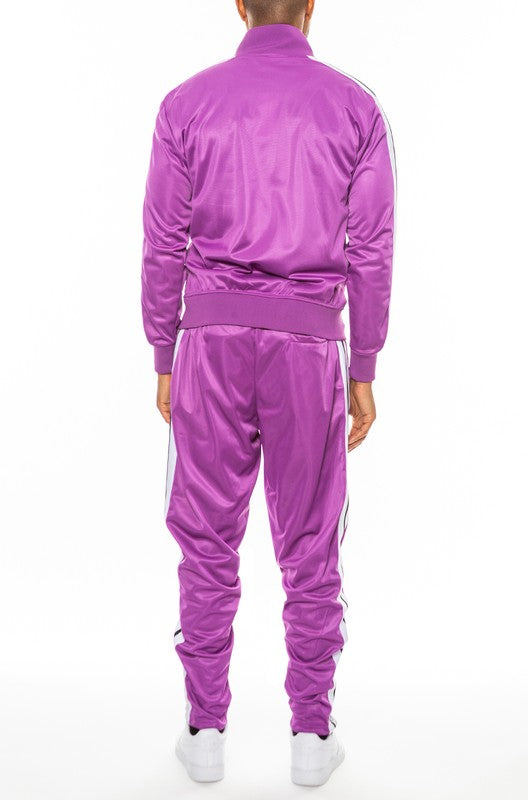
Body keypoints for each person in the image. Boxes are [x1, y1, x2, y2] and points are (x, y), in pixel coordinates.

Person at [140, 0, 396, 786]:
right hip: (308, 349)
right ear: (311, 5)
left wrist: (163, 350)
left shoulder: (186, 103)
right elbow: (371, 247)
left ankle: (204, 731)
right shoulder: (354, 107)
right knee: (310, 542)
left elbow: (162, 239)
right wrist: (362, 366)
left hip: (210, 345)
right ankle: (311, 737)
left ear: (238, 5)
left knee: (205, 539)